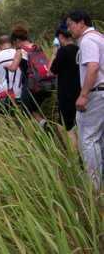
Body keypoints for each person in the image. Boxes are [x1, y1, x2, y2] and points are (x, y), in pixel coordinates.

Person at [66, 10, 104, 190]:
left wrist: (83, 94)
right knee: (99, 139)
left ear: (81, 22)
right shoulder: (99, 37)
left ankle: (94, 186)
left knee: (88, 139)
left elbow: (93, 67)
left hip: (96, 94)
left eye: (70, 24)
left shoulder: (88, 40)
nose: (69, 29)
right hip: (101, 93)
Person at [4, 25, 52, 129]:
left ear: (17, 40)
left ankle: (43, 125)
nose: (15, 45)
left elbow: (13, 68)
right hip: (45, 83)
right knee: (33, 108)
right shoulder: (37, 47)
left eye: (14, 43)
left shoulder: (20, 51)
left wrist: (6, 66)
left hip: (31, 85)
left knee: (26, 109)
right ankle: (43, 126)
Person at [49, 27, 80, 151]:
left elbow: (51, 71)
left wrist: (54, 53)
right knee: (78, 124)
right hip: (80, 90)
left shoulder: (63, 51)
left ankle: (74, 156)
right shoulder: (79, 49)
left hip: (66, 93)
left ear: (61, 37)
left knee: (65, 126)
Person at [0, 35, 22, 116]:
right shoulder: (19, 53)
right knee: (19, 116)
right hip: (19, 92)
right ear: (11, 43)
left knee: (6, 117)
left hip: (3, 94)